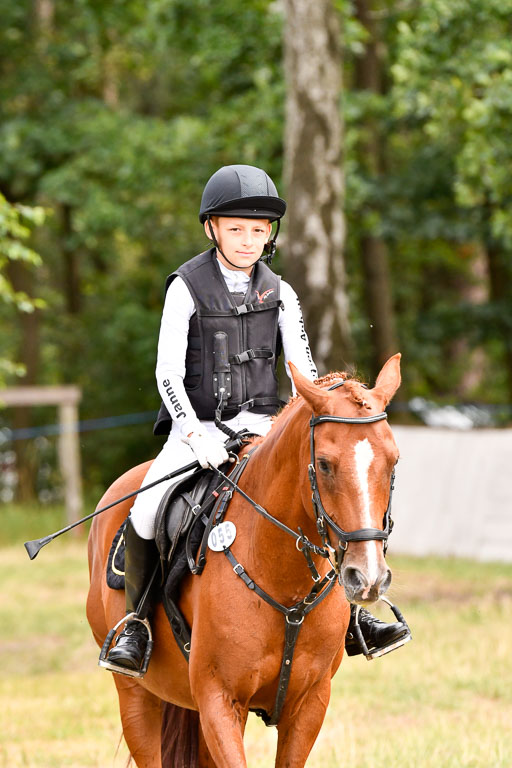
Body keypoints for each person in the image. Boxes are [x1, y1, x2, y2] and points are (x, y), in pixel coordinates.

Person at [104, 164, 410, 676]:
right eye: (236, 228)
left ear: (270, 234)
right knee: (147, 506)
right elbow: (166, 374)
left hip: (265, 425)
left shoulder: (281, 292)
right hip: (196, 426)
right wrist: (195, 435)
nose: (248, 240)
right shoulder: (185, 287)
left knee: (319, 498)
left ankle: (352, 621)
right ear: (212, 229)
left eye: (257, 230)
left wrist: (311, 420)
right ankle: (136, 624)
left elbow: (304, 377)